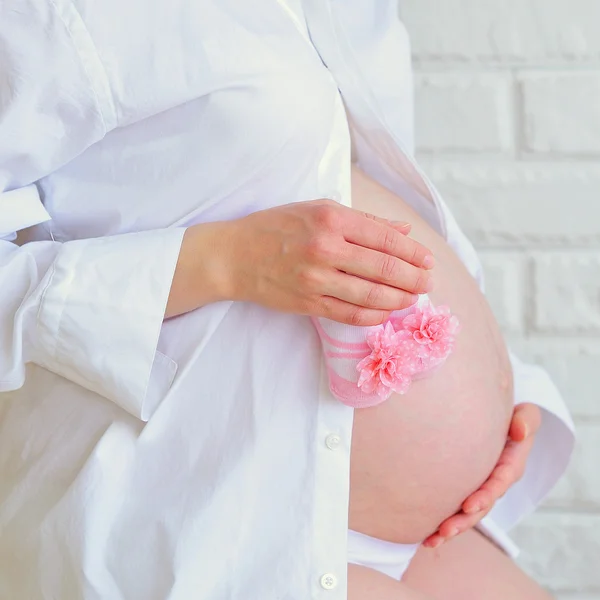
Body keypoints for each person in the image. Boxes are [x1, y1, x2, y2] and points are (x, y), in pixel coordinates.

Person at [0, 1, 575, 598]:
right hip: (223, 507)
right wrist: (222, 261)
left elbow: (379, 190)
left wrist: (501, 394)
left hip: (420, 527)